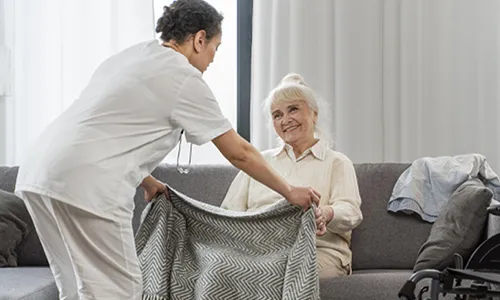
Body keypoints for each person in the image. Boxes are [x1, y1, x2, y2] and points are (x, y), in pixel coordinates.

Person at [13, 1, 320, 299]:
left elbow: (108, 129)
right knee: (120, 291)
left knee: (74, 287)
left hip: (39, 174)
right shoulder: (183, 76)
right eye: (216, 46)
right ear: (200, 39)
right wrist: (289, 191)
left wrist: (148, 182)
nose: (213, 58)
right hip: (87, 184)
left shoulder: (131, 57)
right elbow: (238, 151)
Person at [221, 73, 363, 278]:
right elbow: (229, 212)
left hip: (318, 251)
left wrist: (326, 213)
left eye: (293, 109)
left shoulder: (337, 162)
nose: (285, 120)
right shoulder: (258, 162)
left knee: (277, 272)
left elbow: (351, 212)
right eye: (277, 115)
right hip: (261, 253)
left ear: (314, 114)